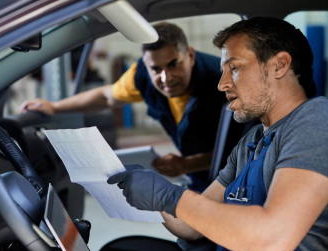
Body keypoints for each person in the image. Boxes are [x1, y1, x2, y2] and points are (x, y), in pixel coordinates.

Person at [0, 17, 328, 251]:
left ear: (279, 65)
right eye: (224, 69)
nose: (222, 82)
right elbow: (188, 227)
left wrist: (169, 197)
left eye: (235, 68)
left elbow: (273, 240)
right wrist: (143, 187)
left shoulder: (322, 120)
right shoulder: (255, 140)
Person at [20, 22, 225, 192]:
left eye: (173, 64)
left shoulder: (223, 83)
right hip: (198, 178)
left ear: (190, 55)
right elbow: (106, 97)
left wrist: (186, 164)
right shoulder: (141, 73)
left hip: (232, 177)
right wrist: (54, 107)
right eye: (156, 68)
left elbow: (242, 148)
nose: (166, 78)